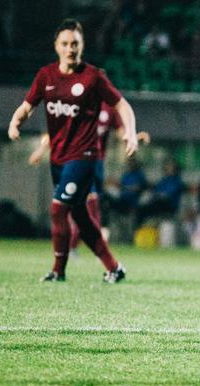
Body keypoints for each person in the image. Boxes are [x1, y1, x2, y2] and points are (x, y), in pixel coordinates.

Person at [7, 19, 137, 282]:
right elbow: (28, 106)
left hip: (85, 156)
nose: (70, 48)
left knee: (57, 209)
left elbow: (123, 106)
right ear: (56, 46)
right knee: (82, 217)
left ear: (82, 46)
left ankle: (58, 270)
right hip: (59, 157)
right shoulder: (46, 76)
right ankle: (114, 267)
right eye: (65, 44)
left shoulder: (93, 77)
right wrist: (15, 121)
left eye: (75, 44)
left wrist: (131, 133)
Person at [29, 101, 150, 249]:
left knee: (89, 208)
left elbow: (121, 134)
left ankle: (76, 244)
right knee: (90, 203)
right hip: (78, 160)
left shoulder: (109, 109)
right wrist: (40, 151)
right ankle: (90, 243)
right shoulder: (77, 105)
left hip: (97, 164)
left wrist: (134, 138)